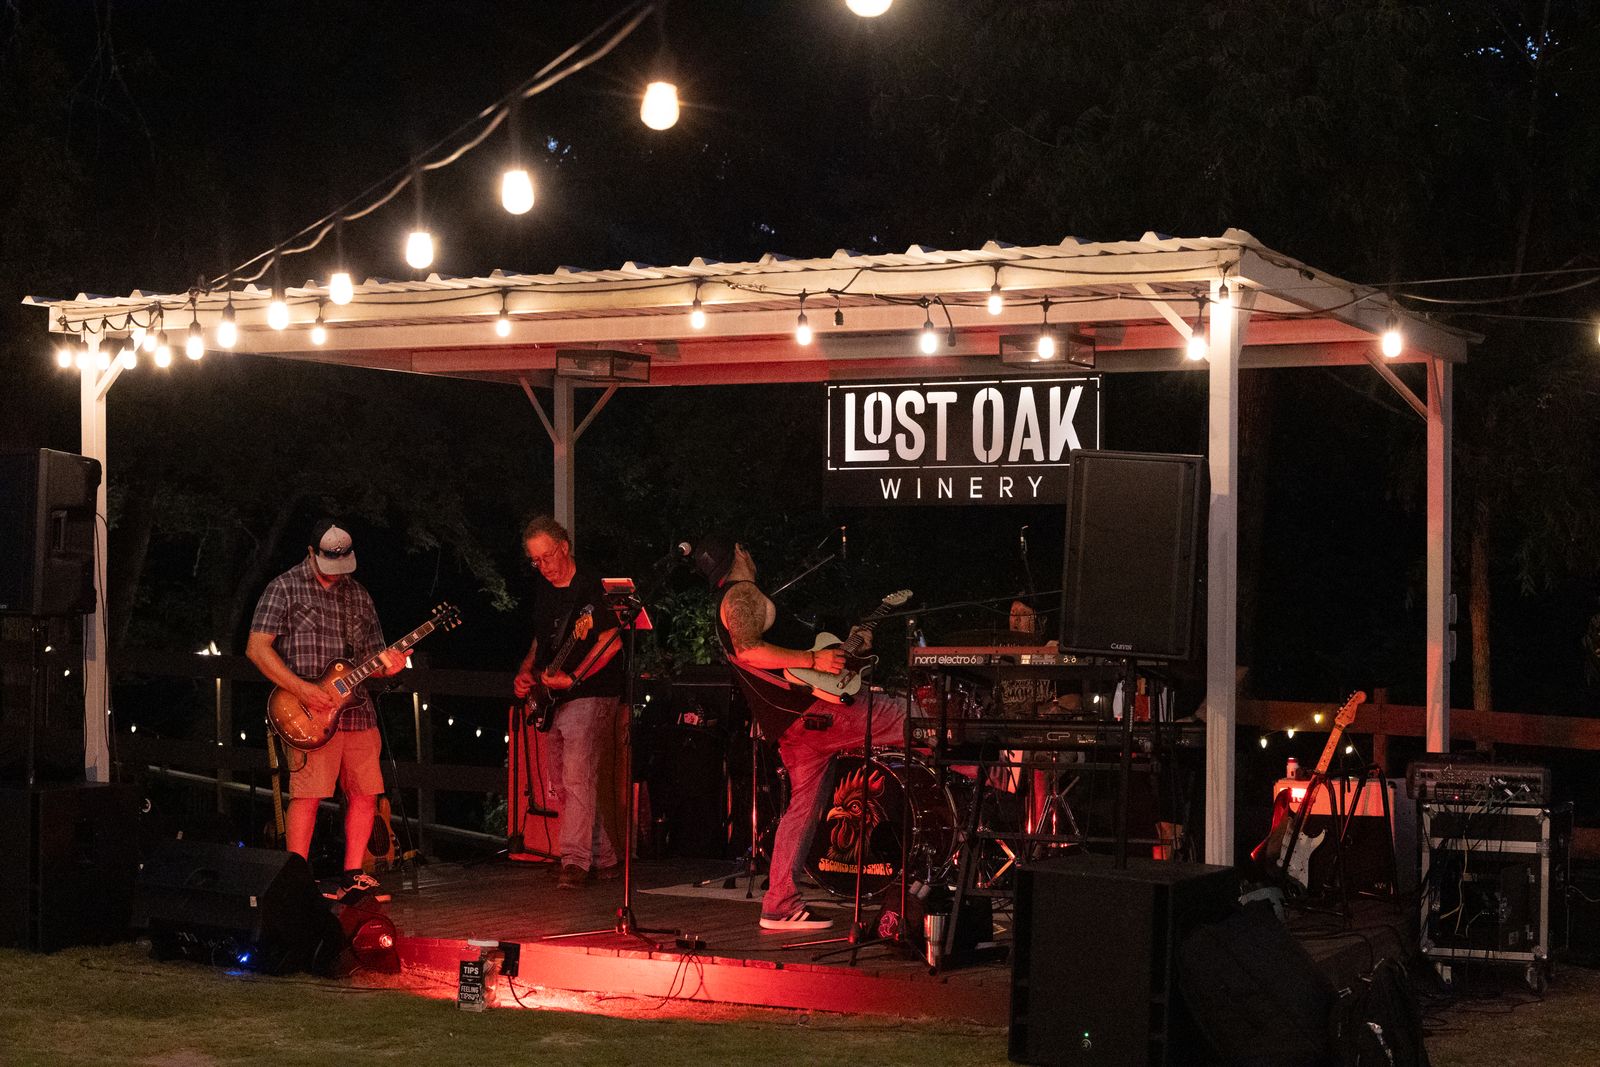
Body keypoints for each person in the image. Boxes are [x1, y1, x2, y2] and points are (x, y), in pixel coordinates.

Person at [695, 534, 904, 932]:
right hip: (815, 713)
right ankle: (1006, 775)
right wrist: (812, 658)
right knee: (917, 720)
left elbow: (803, 665)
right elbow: (749, 649)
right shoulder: (742, 594)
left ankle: (779, 904)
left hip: (794, 724)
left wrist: (846, 652)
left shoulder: (731, 599)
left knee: (802, 809)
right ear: (739, 551)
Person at [246, 518, 408, 899]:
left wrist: (389, 666)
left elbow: (373, 656)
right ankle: (297, 878)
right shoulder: (284, 588)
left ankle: (353, 873)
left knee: (366, 791)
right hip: (308, 711)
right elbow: (256, 648)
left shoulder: (359, 596)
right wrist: (302, 689)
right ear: (311, 552)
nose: (337, 573)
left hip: (358, 711)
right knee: (308, 794)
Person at [513, 515, 624, 890]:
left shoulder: (592, 587)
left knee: (577, 777)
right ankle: (604, 858)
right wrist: (527, 671)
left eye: (546, 557)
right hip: (554, 694)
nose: (542, 566)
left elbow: (611, 642)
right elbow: (540, 640)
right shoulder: (545, 591)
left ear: (564, 547)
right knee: (561, 782)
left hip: (591, 691)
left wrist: (574, 677)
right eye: (535, 560)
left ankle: (575, 860)